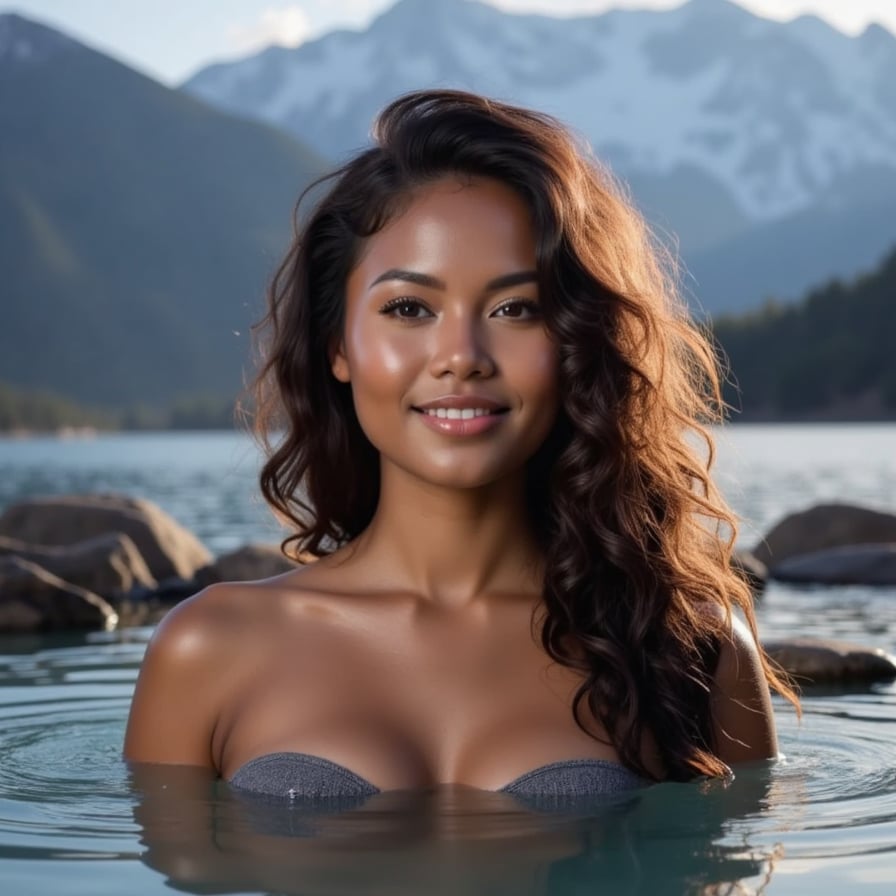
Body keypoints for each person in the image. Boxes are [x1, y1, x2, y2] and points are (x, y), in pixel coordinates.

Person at [124, 89, 799, 798]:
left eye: (516, 308)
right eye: (408, 308)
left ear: (577, 343)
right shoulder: (208, 647)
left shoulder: (690, 649)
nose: (461, 356)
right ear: (338, 347)